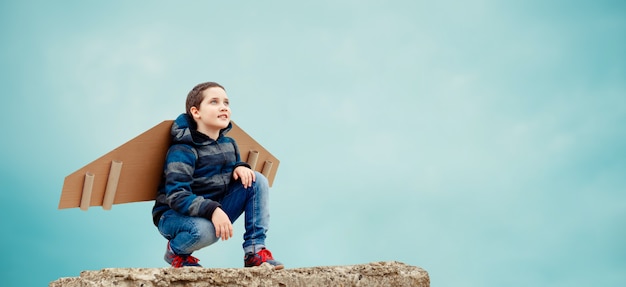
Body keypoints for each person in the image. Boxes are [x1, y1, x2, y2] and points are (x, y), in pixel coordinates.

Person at [151, 81, 283, 269]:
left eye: (226, 103)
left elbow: (228, 170)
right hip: (174, 216)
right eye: (214, 102)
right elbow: (177, 195)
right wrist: (213, 210)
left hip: (212, 208)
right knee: (205, 232)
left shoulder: (230, 144)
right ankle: (176, 251)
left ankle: (255, 250)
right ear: (196, 112)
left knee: (256, 179)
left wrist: (240, 167)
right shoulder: (183, 150)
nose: (223, 107)